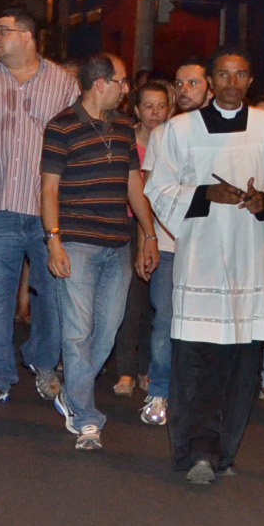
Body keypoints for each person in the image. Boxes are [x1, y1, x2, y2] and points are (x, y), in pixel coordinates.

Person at [143, 49, 264, 483]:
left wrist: (263, 199)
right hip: (200, 259)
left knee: (241, 364)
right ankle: (195, 453)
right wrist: (204, 194)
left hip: (249, 258)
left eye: (240, 74)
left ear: (250, 80)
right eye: (224, 75)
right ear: (211, 82)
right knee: (196, 364)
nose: (232, 82)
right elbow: (159, 188)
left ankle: (225, 452)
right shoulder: (179, 129)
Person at [0, 8, 78, 409]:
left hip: (48, 213)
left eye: (2, 30)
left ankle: (44, 364)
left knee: (54, 297)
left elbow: (78, 143)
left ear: (26, 36)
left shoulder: (64, 83)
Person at [40, 53, 139, 452]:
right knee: (78, 333)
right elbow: (49, 188)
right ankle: (86, 418)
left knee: (107, 330)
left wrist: (149, 234)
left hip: (118, 244)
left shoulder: (125, 127)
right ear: (101, 83)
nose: (126, 88)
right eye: (121, 81)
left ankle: (71, 394)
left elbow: (134, 185)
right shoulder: (61, 126)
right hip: (77, 242)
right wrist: (54, 241)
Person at [109, 82, 176, 403]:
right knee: (130, 300)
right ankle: (126, 368)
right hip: (126, 225)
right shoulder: (125, 141)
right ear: (136, 109)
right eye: (148, 106)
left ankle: (149, 367)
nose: (155, 113)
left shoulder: (174, 142)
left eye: (161, 106)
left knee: (157, 304)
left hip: (162, 228)